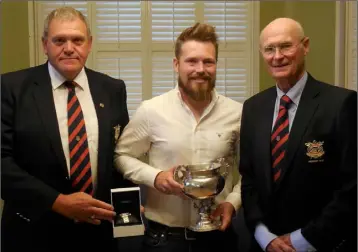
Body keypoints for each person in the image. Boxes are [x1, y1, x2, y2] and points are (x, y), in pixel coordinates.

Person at [1, 7, 134, 252]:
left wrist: (128, 212)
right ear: (44, 44)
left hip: (98, 234)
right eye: (59, 40)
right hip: (33, 233)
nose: (69, 48)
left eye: (77, 40)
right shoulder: (10, 88)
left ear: (89, 44)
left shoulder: (112, 89)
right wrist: (58, 202)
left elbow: (120, 157)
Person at [114, 23, 242, 252]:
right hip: (164, 239)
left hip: (218, 238)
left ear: (216, 65)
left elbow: (252, 171)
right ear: (176, 64)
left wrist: (232, 202)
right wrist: (156, 177)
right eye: (191, 61)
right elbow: (122, 156)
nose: (200, 69)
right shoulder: (151, 111)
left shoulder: (237, 113)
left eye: (208, 62)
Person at [239, 17, 357, 252]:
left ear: (305, 46)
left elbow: (352, 186)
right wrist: (264, 237)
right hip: (265, 245)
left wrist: (302, 240)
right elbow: (249, 180)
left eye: (285, 46)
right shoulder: (253, 107)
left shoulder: (341, 103)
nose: (277, 56)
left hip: (323, 245)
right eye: (269, 49)